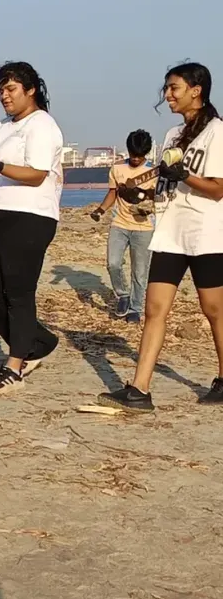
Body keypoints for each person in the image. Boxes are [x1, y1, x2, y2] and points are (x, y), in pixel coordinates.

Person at [102, 62, 223, 411]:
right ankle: (140, 390)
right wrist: (141, 196)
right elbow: (168, 186)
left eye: (174, 88)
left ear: (196, 90)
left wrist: (184, 174)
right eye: (167, 89)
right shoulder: (172, 136)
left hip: (207, 234)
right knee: (155, 309)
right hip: (170, 233)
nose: (167, 95)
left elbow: (217, 190)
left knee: (214, 310)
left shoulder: (216, 132)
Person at [0, 61, 64, 395]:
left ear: (31, 90)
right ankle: (36, 342)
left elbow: (37, 173)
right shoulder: (2, 126)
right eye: (0, 91)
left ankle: (15, 364)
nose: (4, 96)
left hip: (30, 215)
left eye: (11, 89)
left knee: (18, 292)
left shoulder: (42, 125)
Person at [89, 128, 155, 323]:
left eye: (140, 155)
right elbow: (112, 193)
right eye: (133, 154)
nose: (136, 159)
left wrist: (149, 207)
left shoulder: (154, 172)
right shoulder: (117, 169)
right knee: (113, 263)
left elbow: (160, 199)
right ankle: (122, 295)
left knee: (140, 271)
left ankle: (135, 308)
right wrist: (100, 210)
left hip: (144, 227)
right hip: (119, 223)